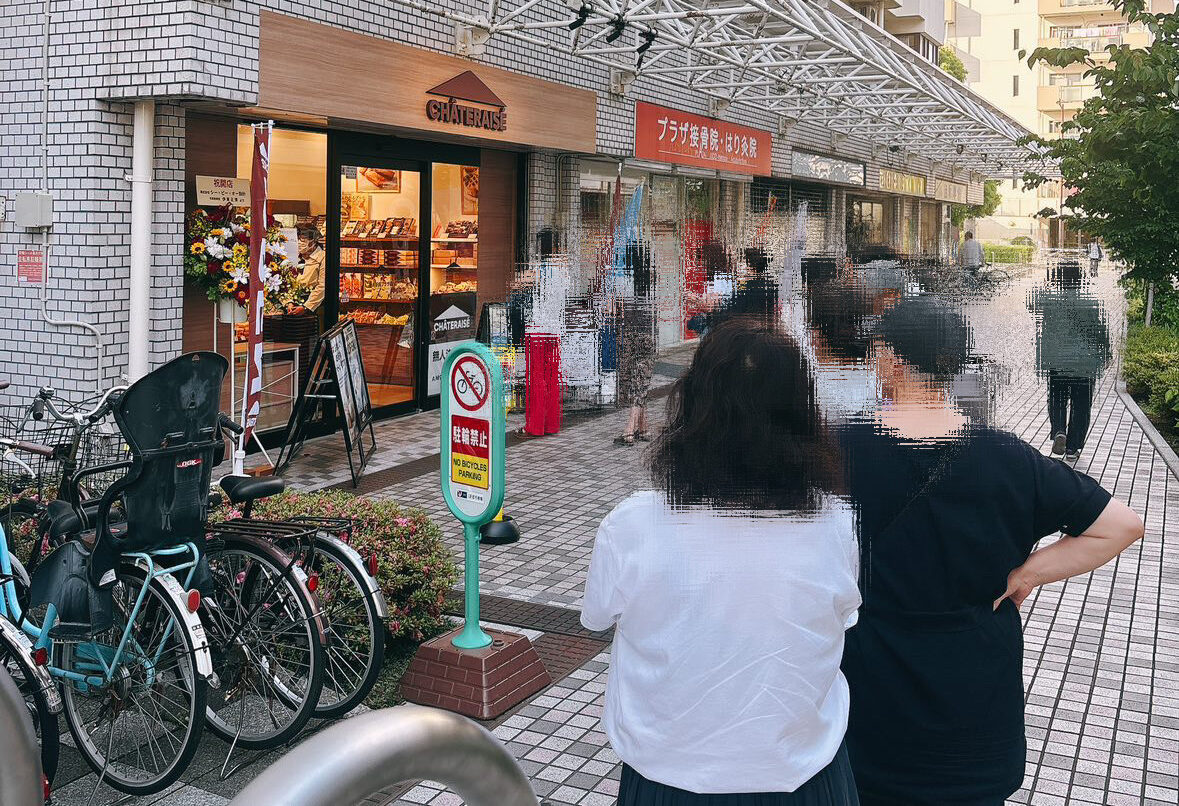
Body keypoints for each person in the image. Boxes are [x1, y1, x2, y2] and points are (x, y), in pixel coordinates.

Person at [838, 294, 1143, 806]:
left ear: (890, 358)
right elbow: (1122, 525)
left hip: (876, 696)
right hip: (976, 704)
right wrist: (1028, 573)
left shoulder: (839, 450)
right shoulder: (1009, 457)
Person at [584, 317, 862, 805]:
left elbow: (595, 617)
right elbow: (843, 618)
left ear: (693, 408)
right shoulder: (835, 522)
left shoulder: (633, 525)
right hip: (803, 776)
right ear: (801, 415)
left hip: (668, 778)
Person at [1027, 260, 1111, 461]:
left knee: (1057, 399)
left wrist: (1048, 283)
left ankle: (1059, 431)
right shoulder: (1089, 302)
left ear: (1059, 279)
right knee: (1081, 404)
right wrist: (1106, 353)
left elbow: (1031, 304)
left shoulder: (1050, 301)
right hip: (1084, 362)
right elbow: (1099, 331)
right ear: (1080, 279)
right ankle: (1073, 448)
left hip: (1057, 360)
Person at [615, 243, 656, 446]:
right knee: (642, 383)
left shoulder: (623, 282)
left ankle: (629, 430)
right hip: (648, 335)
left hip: (629, 336)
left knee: (635, 384)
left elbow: (617, 310)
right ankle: (644, 427)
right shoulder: (652, 281)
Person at [289, 226, 326, 319]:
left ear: (313, 242)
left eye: (303, 240)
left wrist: (306, 307)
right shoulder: (295, 257)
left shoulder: (323, 257)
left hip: (314, 308)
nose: (299, 243)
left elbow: (322, 286)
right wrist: (289, 302)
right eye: (297, 239)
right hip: (293, 305)